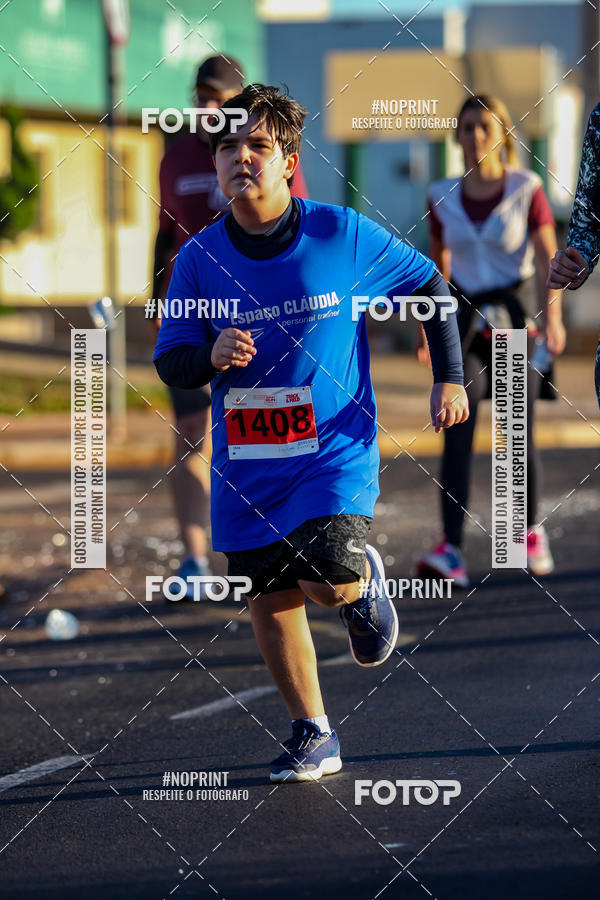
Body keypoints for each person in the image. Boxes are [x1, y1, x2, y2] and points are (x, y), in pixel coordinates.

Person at [154, 84, 468, 783]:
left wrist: (450, 377)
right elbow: (171, 357)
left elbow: (428, 287)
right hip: (250, 459)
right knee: (270, 594)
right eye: (229, 146)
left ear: (288, 158)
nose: (242, 158)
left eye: (258, 145)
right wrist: (208, 356)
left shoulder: (340, 233)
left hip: (332, 447)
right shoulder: (200, 260)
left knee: (323, 578)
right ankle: (314, 733)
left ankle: (359, 586)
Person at [151, 56, 308, 599]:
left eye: (220, 97)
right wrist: (161, 308)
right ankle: (195, 558)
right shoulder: (172, 158)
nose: (208, 106)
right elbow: (162, 235)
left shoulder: (266, 151)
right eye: (201, 95)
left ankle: (291, 542)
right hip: (194, 315)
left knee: (260, 434)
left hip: (263, 322)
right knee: (191, 435)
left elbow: (298, 228)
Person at [416, 95, 566, 585]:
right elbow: (435, 272)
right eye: (466, 127)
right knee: (459, 411)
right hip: (462, 320)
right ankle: (451, 549)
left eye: (485, 126)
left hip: (513, 316)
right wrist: (427, 331)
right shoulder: (440, 193)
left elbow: (549, 260)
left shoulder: (527, 187)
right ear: (456, 136)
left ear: (502, 134)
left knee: (513, 420)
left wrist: (555, 319)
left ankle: (526, 533)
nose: (475, 135)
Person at [547, 101, 600, 406]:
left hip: (516, 316)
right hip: (491, 323)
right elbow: (588, 221)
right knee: (511, 439)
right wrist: (578, 258)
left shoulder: (524, 187)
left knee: (516, 434)